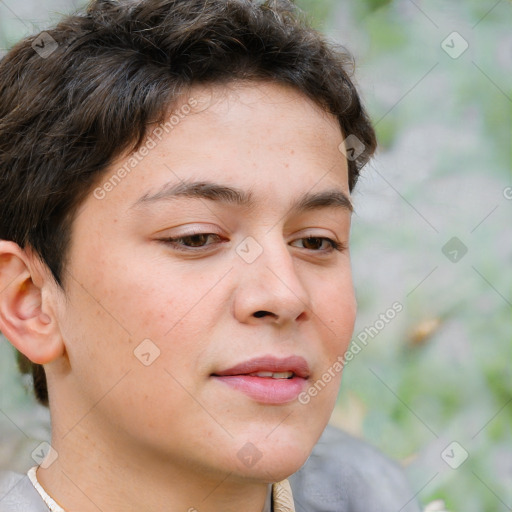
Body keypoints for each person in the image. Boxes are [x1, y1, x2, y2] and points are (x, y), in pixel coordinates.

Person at [0, 0, 422, 510]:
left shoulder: (376, 493)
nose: (284, 295)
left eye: (316, 241)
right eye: (196, 237)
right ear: (30, 302)